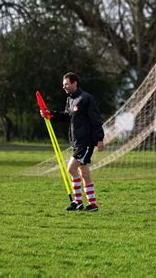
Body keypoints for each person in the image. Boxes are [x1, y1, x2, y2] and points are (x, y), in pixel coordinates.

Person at [40, 72, 105, 212]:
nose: (64, 87)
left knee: (71, 168)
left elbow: (96, 119)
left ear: (75, 83)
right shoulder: (69, 100)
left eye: (67, 84)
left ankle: (77, 201)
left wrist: (99, 139)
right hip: (76, 142)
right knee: (85, 174)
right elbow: (67, 116)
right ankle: (92, 205)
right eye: (63, 85)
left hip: (86, 142)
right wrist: (50, 114)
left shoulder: (86, 98)